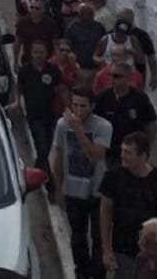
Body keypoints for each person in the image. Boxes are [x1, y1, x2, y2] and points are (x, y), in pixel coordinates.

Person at [100, 132, 157, 279]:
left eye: (128, 152)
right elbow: (105, 212)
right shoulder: (112, 177)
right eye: (122, 151)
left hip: (153, 251)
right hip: (122, 248)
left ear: (143, 155)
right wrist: (106, 250)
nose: (122, 156)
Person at [52, 87, 113, 279]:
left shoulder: (103, 126)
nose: (78, 110)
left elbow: (95, 155)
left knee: (98, 235)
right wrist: (58, 188)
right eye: (75, 105)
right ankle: (82, 271)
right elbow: (59, 156)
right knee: (77, 236)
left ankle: (98, 272)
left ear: (92, 106)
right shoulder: (62, 125)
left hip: (96, 191)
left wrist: (78, 129)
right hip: (73, 190)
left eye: (83, 106)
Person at [9, 40, 64, 194]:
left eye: (41, 52)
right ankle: (51, 186)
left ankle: (35, 172)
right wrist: (17, 102)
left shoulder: (53, 70)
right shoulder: (25, 70)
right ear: (31, 53)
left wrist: (69, 109)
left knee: (45, 149)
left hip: (51, 115)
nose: (38, 55)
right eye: (35, 52)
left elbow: (61, 89)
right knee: (41, 147)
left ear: (46, 53)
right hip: (34, 116)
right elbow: (18, 87)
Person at [94, 62, 157, 168]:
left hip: (133, 153)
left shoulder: (140, 98)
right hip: (111, 152)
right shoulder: (103, 97)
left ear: (128, 78)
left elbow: (150, 123)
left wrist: (146, 146)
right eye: (111, 75)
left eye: (117, 76)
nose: (112, 79)